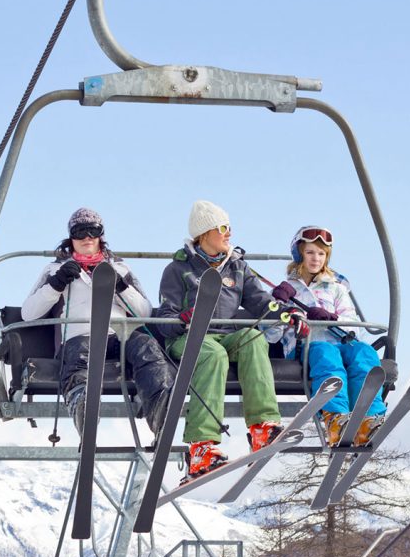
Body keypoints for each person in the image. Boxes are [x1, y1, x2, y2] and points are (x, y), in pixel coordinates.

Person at [156, 200, 296, 481]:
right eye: (223, 227)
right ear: (204, 233)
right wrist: (184, 317)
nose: (229, 233)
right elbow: (166, 318)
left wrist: (285, 312)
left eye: (229, 227)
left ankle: (262, 427)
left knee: (254, 338)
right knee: (212, 354)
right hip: (187, 339)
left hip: (226, 335)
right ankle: (201, 446)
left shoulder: (236, 267)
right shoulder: (178, 269)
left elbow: (259, 301)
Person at [22, 208, 173, 440]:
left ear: (101, 234)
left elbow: (143, 311)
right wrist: (57, 283)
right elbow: (29, 313)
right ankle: (83, 404)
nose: (87, 237)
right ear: (71, 237)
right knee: (79, 353)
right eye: (80, 231)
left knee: (146, 347)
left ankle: (159, 408)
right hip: (79, 337)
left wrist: (121, 287)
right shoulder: (54, 270)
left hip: (118, 336)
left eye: (93, 230)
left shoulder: (120, 268)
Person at [269, 225, 387, 446]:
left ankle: (368, 419)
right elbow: (270, 334)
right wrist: (277, 307)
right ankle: (335, 418)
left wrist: (331, 319)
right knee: (327, 354)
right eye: (310, 252)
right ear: (299, 254)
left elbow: (354, 327)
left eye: (322, 254)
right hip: (305, 347)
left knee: (365, 352)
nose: (316, 258)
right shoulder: (286, 290)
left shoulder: (336, 288)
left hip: (340, 341)